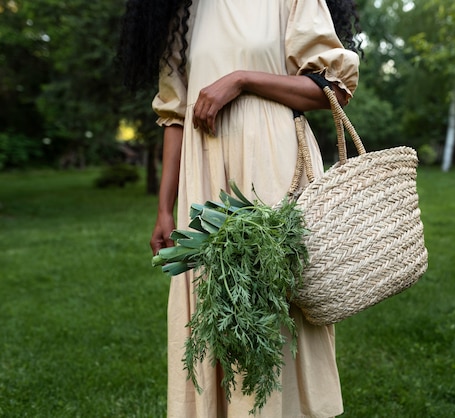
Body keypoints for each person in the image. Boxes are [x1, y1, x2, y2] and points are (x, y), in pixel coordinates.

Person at [118, 0, 361, 416]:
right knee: (216, 305)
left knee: (273, 306)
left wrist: (242, 80)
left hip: (269, 168)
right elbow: (175, 117)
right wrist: (164, 208)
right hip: (205, 179)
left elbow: (332, 89)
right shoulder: (183, 11)